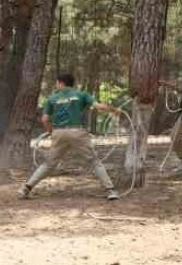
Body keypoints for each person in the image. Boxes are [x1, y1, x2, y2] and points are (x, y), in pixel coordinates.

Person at [18, 73, 122, 201]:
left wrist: (52, 132)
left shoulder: (52, 98)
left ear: (61, 83)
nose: (56, 85)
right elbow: (98, 106)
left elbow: (44, 119)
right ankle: (110, 190)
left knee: (49, 164)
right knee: (94, 162)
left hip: (58, 133)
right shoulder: (82, 95)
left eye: (56, 83)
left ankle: (26, 188)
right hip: (77, 132)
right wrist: (114, 110)